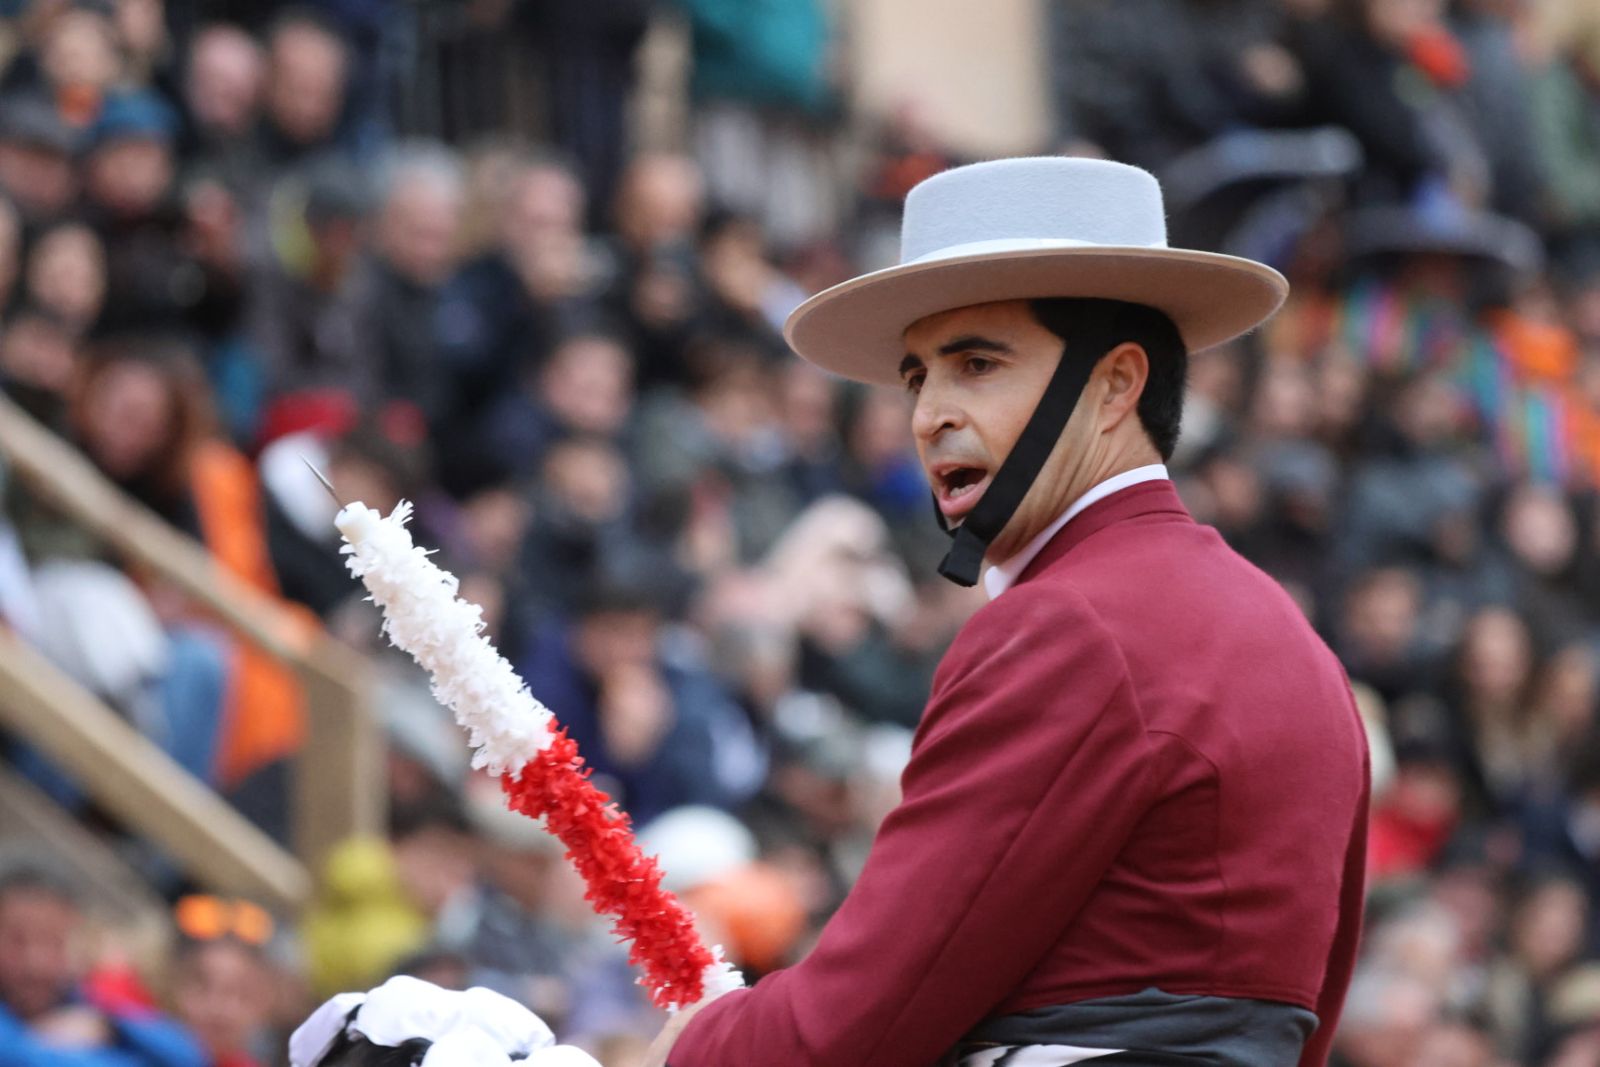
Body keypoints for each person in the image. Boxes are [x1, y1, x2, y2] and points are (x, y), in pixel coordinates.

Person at [296, 158, 1370, 1067]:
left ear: (1114, 383)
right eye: (914, 376)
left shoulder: (1068, 623)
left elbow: (860, 1025)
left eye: (977, 363)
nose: (929, 411)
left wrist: (694, 1044)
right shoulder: (1293, 641)